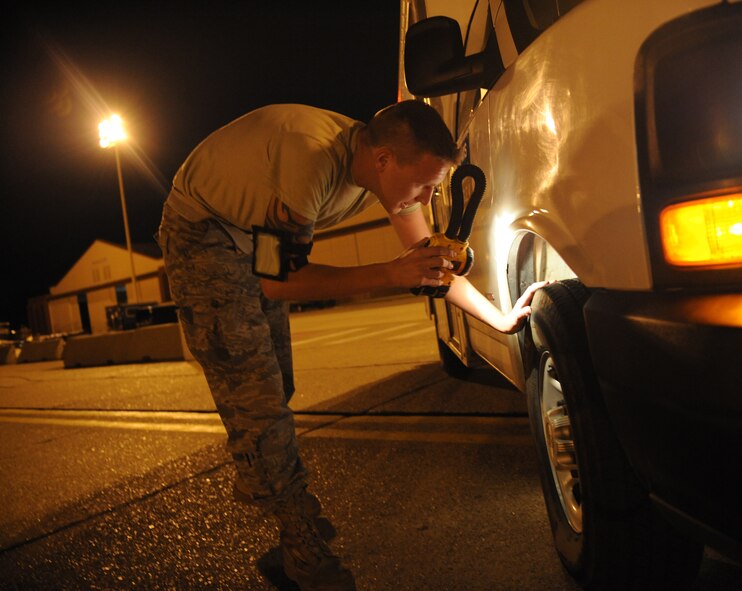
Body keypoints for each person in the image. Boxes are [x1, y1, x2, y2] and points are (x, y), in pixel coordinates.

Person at [157, 100, 547, 590]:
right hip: (204, 233)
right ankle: (301, 547)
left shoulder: (383, 176)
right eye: (424, 184)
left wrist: (501, 319)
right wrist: (388, 273)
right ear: (383, 160)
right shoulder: (311, 167)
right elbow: (281, 282)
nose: (427, 198)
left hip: (257, 238)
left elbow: (429, 267)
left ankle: (264, 476)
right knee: (254, 396)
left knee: (279, 383)